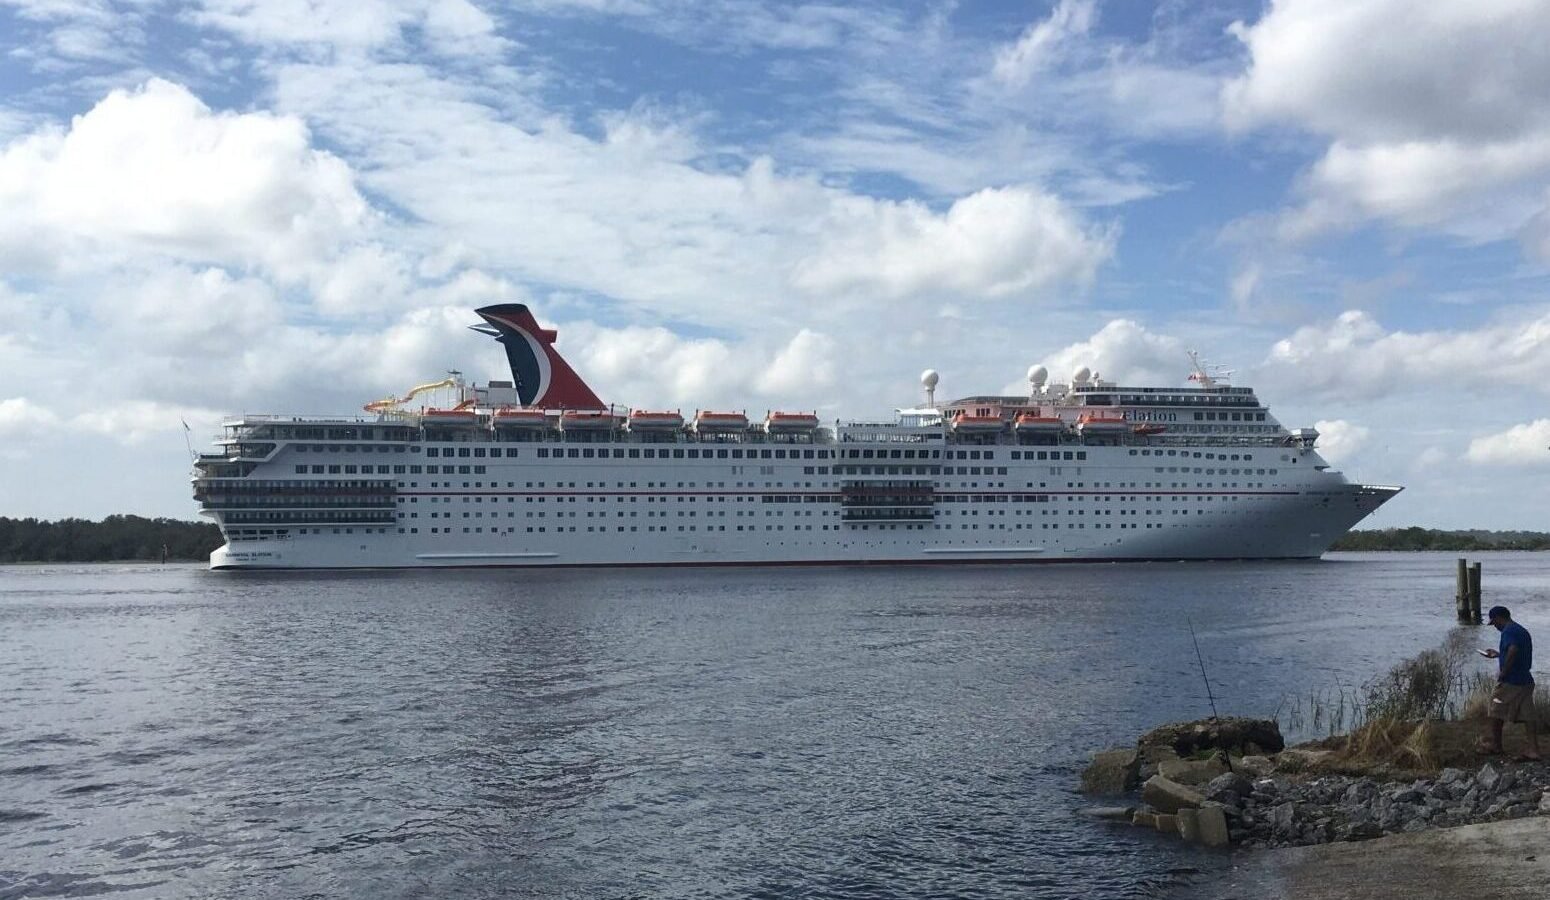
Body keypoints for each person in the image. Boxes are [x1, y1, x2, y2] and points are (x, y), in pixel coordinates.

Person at [1480, 605, 1540, 761]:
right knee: (1528, 715)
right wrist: (1498, 655)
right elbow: (1516, 652)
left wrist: (1503, 672)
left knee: (1495, 707)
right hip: (1525, 680)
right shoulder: (1520, 630)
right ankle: (1533, 750)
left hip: (1511, 680)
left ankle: (1495, 745)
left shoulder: (1509, 631)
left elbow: (1513, 650)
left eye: (1494, 623)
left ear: (1500, 618)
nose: (1495, 626)